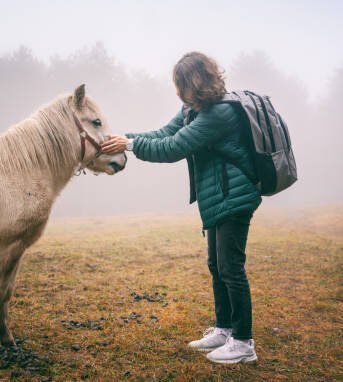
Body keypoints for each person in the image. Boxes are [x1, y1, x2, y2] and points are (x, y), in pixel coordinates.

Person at [101, 52, 260, 364]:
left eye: (179, 84)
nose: (176, 91)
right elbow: (163, 133)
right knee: (217, 266)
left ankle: (243, 342)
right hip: (217, 196)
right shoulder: (193, 108)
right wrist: (124, 138)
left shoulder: (219, 114)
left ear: (193, 83)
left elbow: (173, 147)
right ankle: (225, 328)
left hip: (235, 197)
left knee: (231, 269)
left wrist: (129, 146)